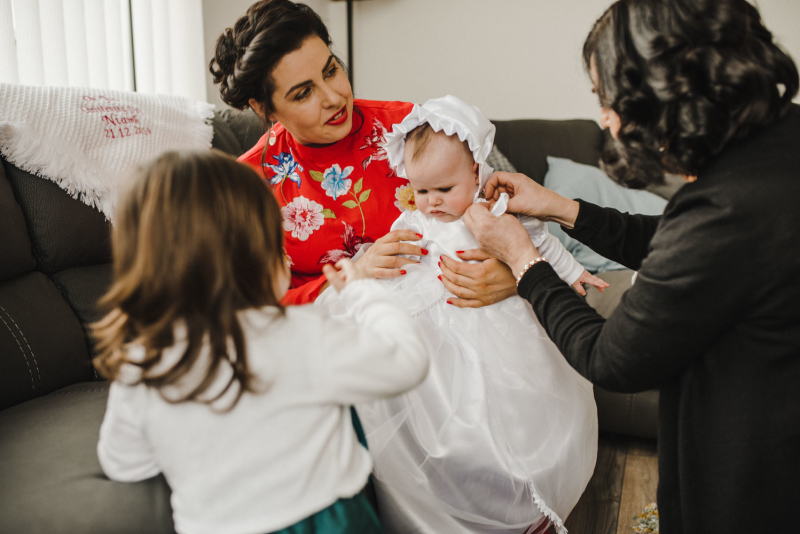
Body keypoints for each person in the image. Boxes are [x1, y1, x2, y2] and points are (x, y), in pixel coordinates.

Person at [462, 1, 800, 532]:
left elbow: (610, 358)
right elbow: (677, 243)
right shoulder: (779, 141)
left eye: (608, 97)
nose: (605, 117)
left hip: (756, 473)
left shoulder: (726, 209)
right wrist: (559, 206)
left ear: (664, 85)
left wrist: (523, 261)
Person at [93, 150, 430, 534]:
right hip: (330, 521)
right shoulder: (303, 331)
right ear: (261, 257)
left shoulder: (140, 365)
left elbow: (124, 464)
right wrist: (361, 293)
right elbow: (407, 360)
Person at [317, 96, 605, 534]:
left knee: (516, 417)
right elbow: (396, 252)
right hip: (439, 326)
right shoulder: (414, 217)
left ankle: (529, 506)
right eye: (422, 190)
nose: (431, 203)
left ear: (475, 172)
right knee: (449, 428)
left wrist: (574, 272)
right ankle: (459, 507)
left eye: (444, 190)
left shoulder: (494, 212)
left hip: (498, 325)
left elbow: (542, 244)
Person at [209, 0, 518, 308]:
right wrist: (353, 276)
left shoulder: (410, 128)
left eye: (331, 71)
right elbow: (244, 304)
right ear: (264, 108)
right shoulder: (249, 182)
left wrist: (514, 274)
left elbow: (505, 212)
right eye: (304, 93)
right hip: (334, 336)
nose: (334, 97)